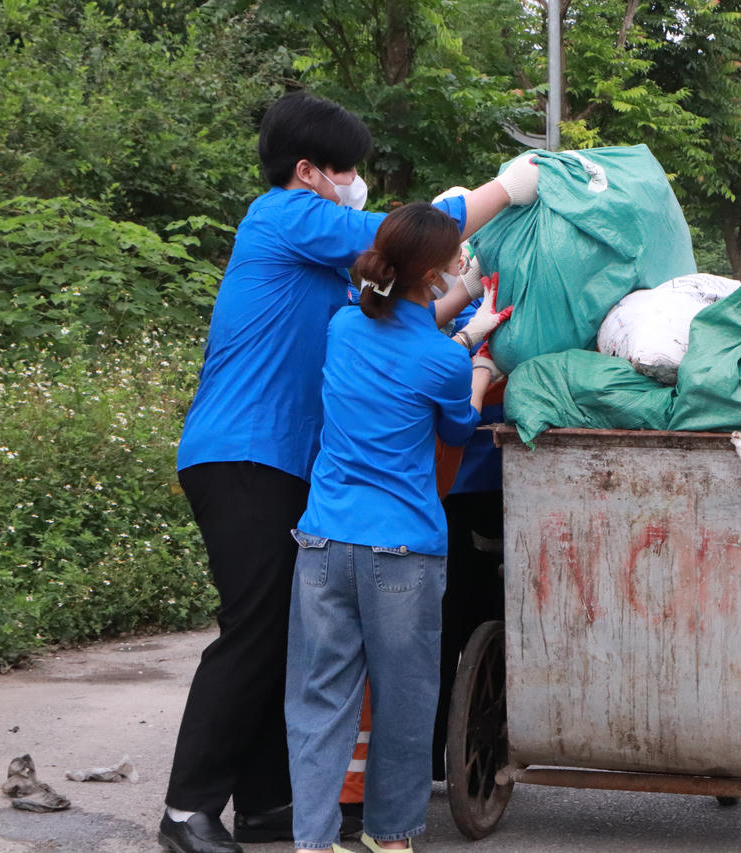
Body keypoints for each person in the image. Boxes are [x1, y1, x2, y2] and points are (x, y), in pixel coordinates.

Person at [162, 89, 538, 853]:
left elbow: (390, 322)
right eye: (347, 170)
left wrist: (462, 306)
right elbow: (398, 240)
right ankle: (186, 808)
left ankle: (269, 802)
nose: (354, 182)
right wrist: (506, 189)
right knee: (254, 628)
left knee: (285, 637)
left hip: (281, 456)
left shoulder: (328, 270)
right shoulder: (285, 214)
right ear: (309, 172)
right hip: (245, 451)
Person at [283, 203, 508, 853]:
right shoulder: (439, 361)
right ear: (435, 276)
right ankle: (389, 838)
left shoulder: (342, 326)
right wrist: (480, 365)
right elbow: (457, 427)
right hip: (401, 553)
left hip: (322, 543)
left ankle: (314, 840)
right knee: (406, 704)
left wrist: (462, 337)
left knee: (321, 702)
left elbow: (399, 339)